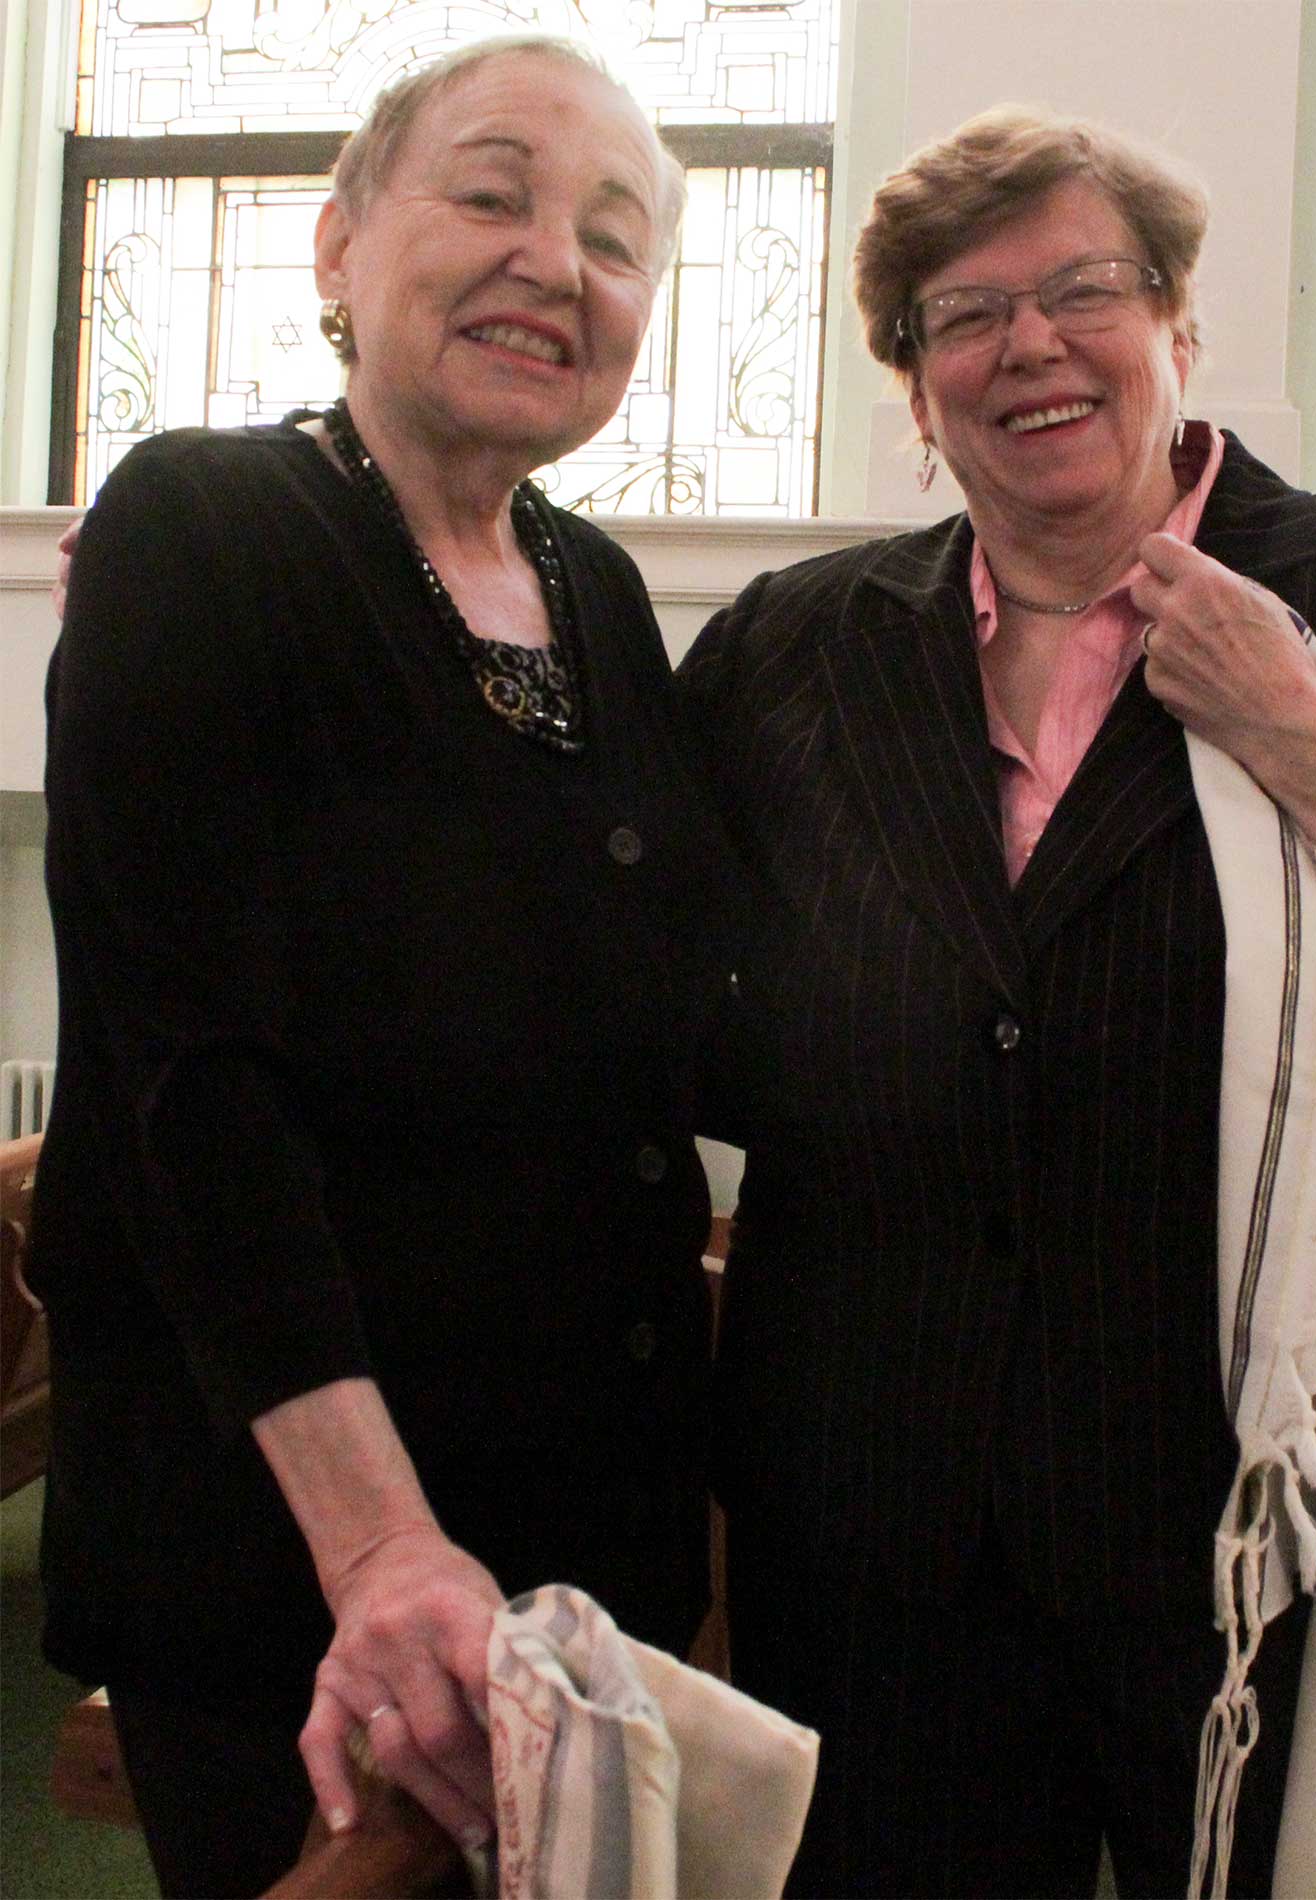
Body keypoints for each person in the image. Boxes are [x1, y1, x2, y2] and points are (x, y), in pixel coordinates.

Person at [679, 108, 1316, 1897]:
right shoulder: (794, 644)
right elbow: (683, 1004)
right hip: (875, 1510)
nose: (1027, 345)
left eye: (1082, 291)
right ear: (914, 386)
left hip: (1242, 1514)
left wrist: (1310, 739)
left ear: (1175, 325)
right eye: (964, 315)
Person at [31, 36, 734, 1898]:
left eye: (615, 238)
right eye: (491, 194)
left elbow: (660, 1015)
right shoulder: (205, 525)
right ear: (340, 245)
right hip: (309, 1568)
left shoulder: (596, 591)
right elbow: (193, 1085)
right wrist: (381, 1554)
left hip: (577, 1541)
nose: (554, 261)